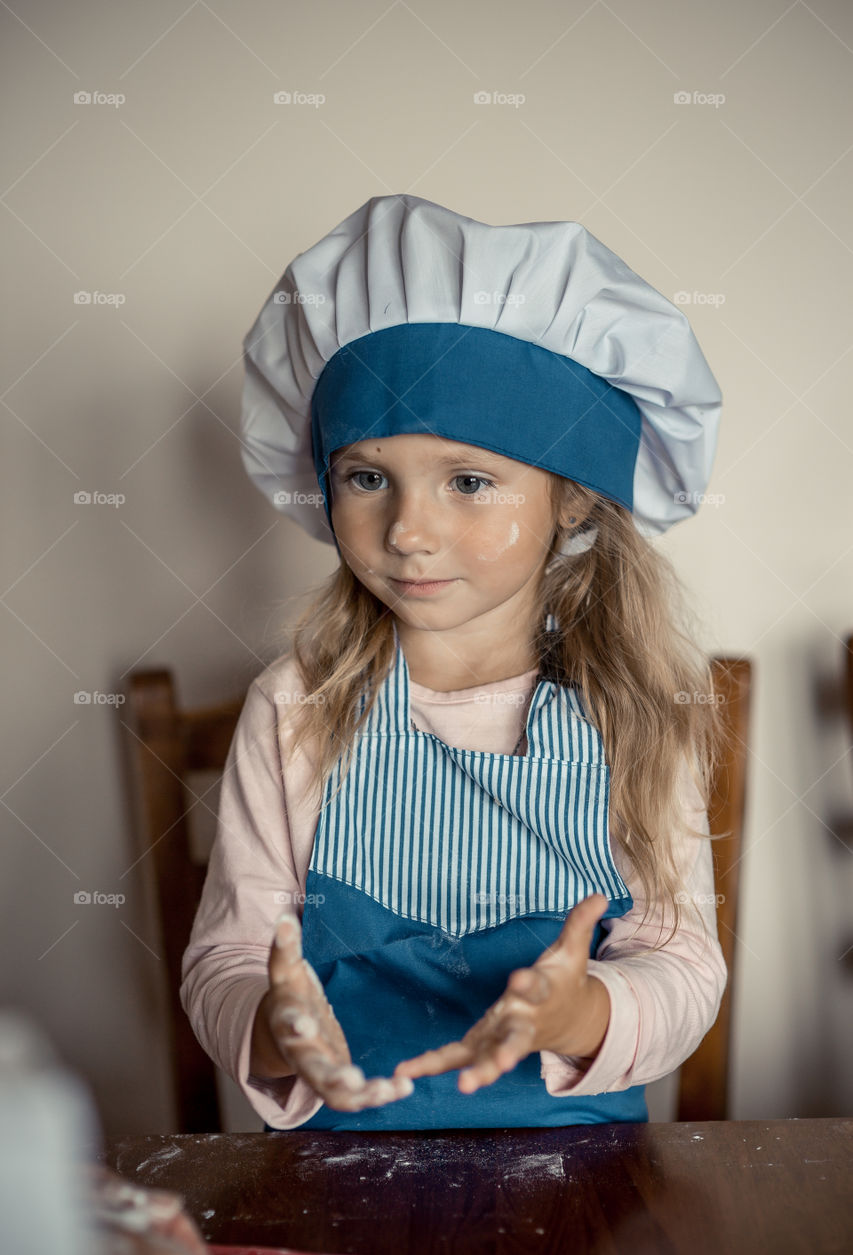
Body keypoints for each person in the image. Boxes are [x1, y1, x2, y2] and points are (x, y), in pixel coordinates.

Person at [180, 193, 730, 1131]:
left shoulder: (633, 710)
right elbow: (226, 960)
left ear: (573, 503)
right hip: (339, 1177)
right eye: (365, 477)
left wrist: (583, 1009)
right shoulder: (297, 707)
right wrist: (274, 1023)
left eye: (469, 481)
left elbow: (680, 966)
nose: (406, 529)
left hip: (582, 1188)